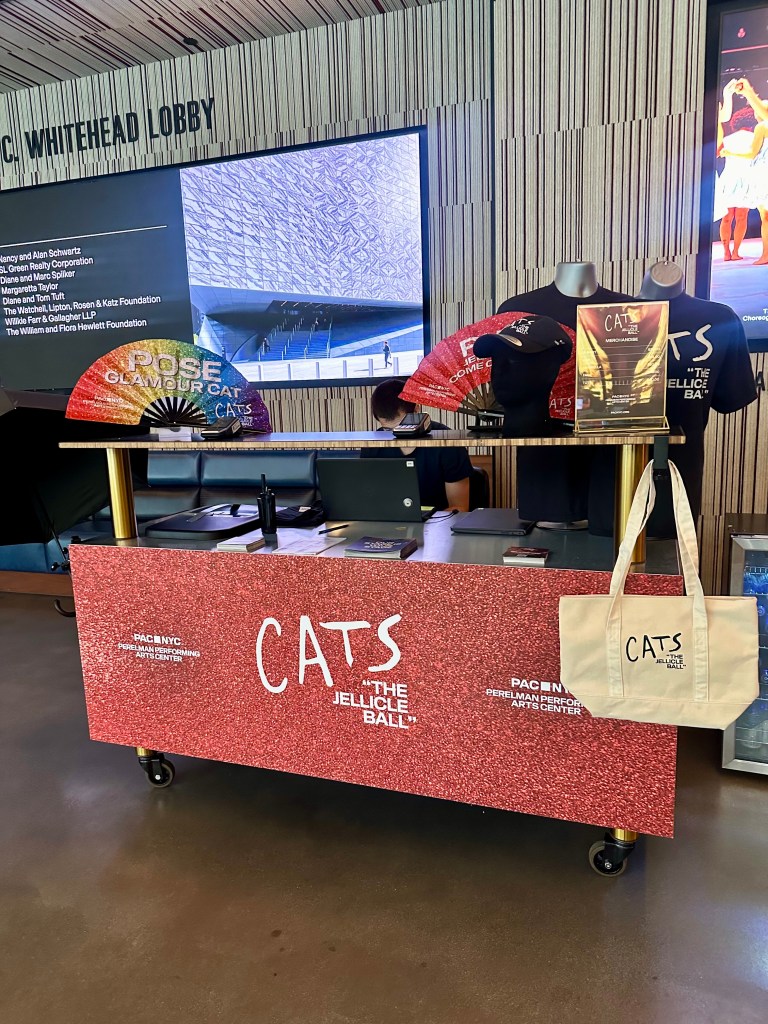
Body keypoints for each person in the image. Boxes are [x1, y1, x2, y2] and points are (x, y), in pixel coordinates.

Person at [363, 378, 472, 512]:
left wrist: (426, 521)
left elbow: (460, 508)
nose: (397, 435)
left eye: (403, 427)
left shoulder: (446, 442)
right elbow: (368, 500)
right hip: (390, 521)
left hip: (439, 522)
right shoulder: (373, 445)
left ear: (416, 409)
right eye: (388, 430)